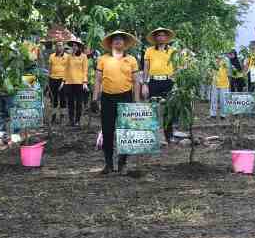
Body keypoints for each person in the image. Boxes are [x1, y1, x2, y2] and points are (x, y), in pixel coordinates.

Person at [93, 30, 141, 174]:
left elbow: (136, 82)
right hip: (107, 98)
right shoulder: (103, 59)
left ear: (125, 44)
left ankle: (122, 163)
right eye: (115, 39)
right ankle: (108, 163)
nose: (118, 41)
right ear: (111, 43)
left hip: (125, 98)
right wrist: (94, 98)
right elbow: (98, 80)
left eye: (121, 39)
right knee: (107, 131)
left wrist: (136, 101)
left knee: (125, 132)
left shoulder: (131, 60)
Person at [142, 28, 176, 143]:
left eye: (163, 35)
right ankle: (153, 136)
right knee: (153, 108)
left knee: (168, 109)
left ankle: (169, 135)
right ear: (155, 38)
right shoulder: (149, 50)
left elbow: (177, 66)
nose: (161, 37)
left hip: (168, 82)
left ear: (166, 38)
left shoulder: (173, 51)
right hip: (153, 82)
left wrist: (176, 81)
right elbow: (146, 68)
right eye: (159, 35)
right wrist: (144, 84)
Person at [63, 39, 89, 126]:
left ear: (79, 47)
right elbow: (66, 70)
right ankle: (71, 120)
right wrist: (63, 81)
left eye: (75, 46)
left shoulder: (84, 56)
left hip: (79, 82)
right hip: (69, 82)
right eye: (73, 46)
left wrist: (85, 82)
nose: (74, 47)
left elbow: (85, 70)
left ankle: (77, 120)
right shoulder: (69, 57)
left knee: (79, 102)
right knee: (70, 102)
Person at [46, 39, 69, 123]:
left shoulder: (67, 57)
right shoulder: (51, 56)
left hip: (63, 80)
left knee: (63, 99)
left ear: (63, 47)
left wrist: (64, 81)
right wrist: (48, 79)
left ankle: (62, 116)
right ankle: (54, 116)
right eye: (57, 45)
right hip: (52, 79)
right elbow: (49, 68)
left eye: (60, 45)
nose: (59, 47)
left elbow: (68, 70)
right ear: (55, 47)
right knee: (53, 99)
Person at [209, 53, 231, 119]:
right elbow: (210, 72)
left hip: (224, 84)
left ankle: (223, 115)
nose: (218, 59)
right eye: (217, 57)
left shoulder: (226, 61)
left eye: (219, 57)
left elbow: (229, 72)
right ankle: (213, 115)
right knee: (214, 99)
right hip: (215, 83)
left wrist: (226, 66)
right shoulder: (213, 63)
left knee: (223, 100)